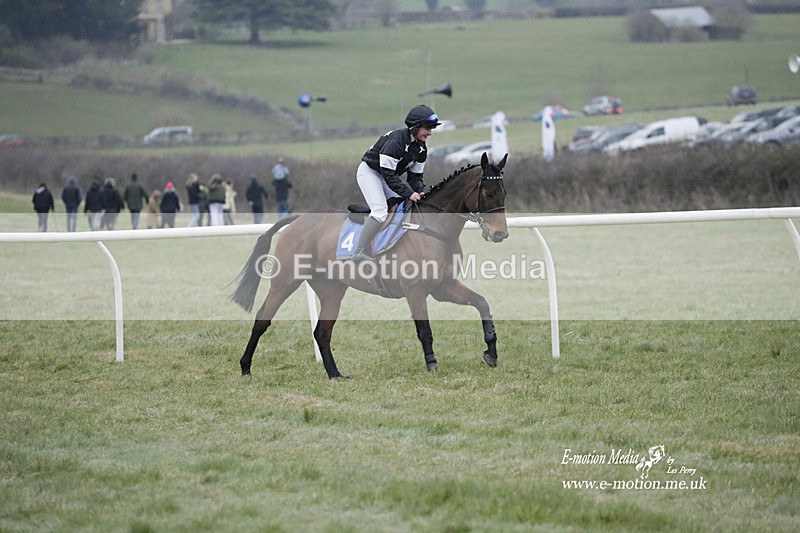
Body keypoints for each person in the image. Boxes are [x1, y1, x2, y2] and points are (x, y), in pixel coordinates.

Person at [351, 104, 438, 259]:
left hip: (386, 176)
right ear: (415, 127)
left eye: (431, 128)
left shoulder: (421, 149)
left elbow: (415, 178)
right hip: (370, 172)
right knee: (380, 211)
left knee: (401, 208)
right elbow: (390, 176)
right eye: (427, 128)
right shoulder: (397, 141)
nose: (430, 132)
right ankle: (358, 251)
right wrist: (410, 193)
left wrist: (420, 190)